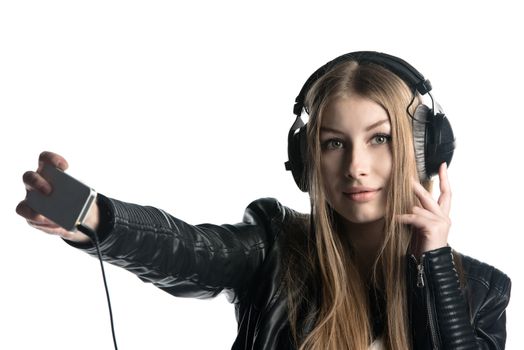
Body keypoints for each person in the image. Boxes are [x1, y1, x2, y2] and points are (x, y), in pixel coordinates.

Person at [17, 51, 511, 349]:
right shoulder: (274, 249)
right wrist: (93, 216)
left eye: (379, 139)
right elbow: (189, 249)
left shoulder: (483, 291)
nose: (356, 165)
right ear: (306, 159)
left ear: (424, 150)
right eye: (333, 143)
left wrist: (434, 263)